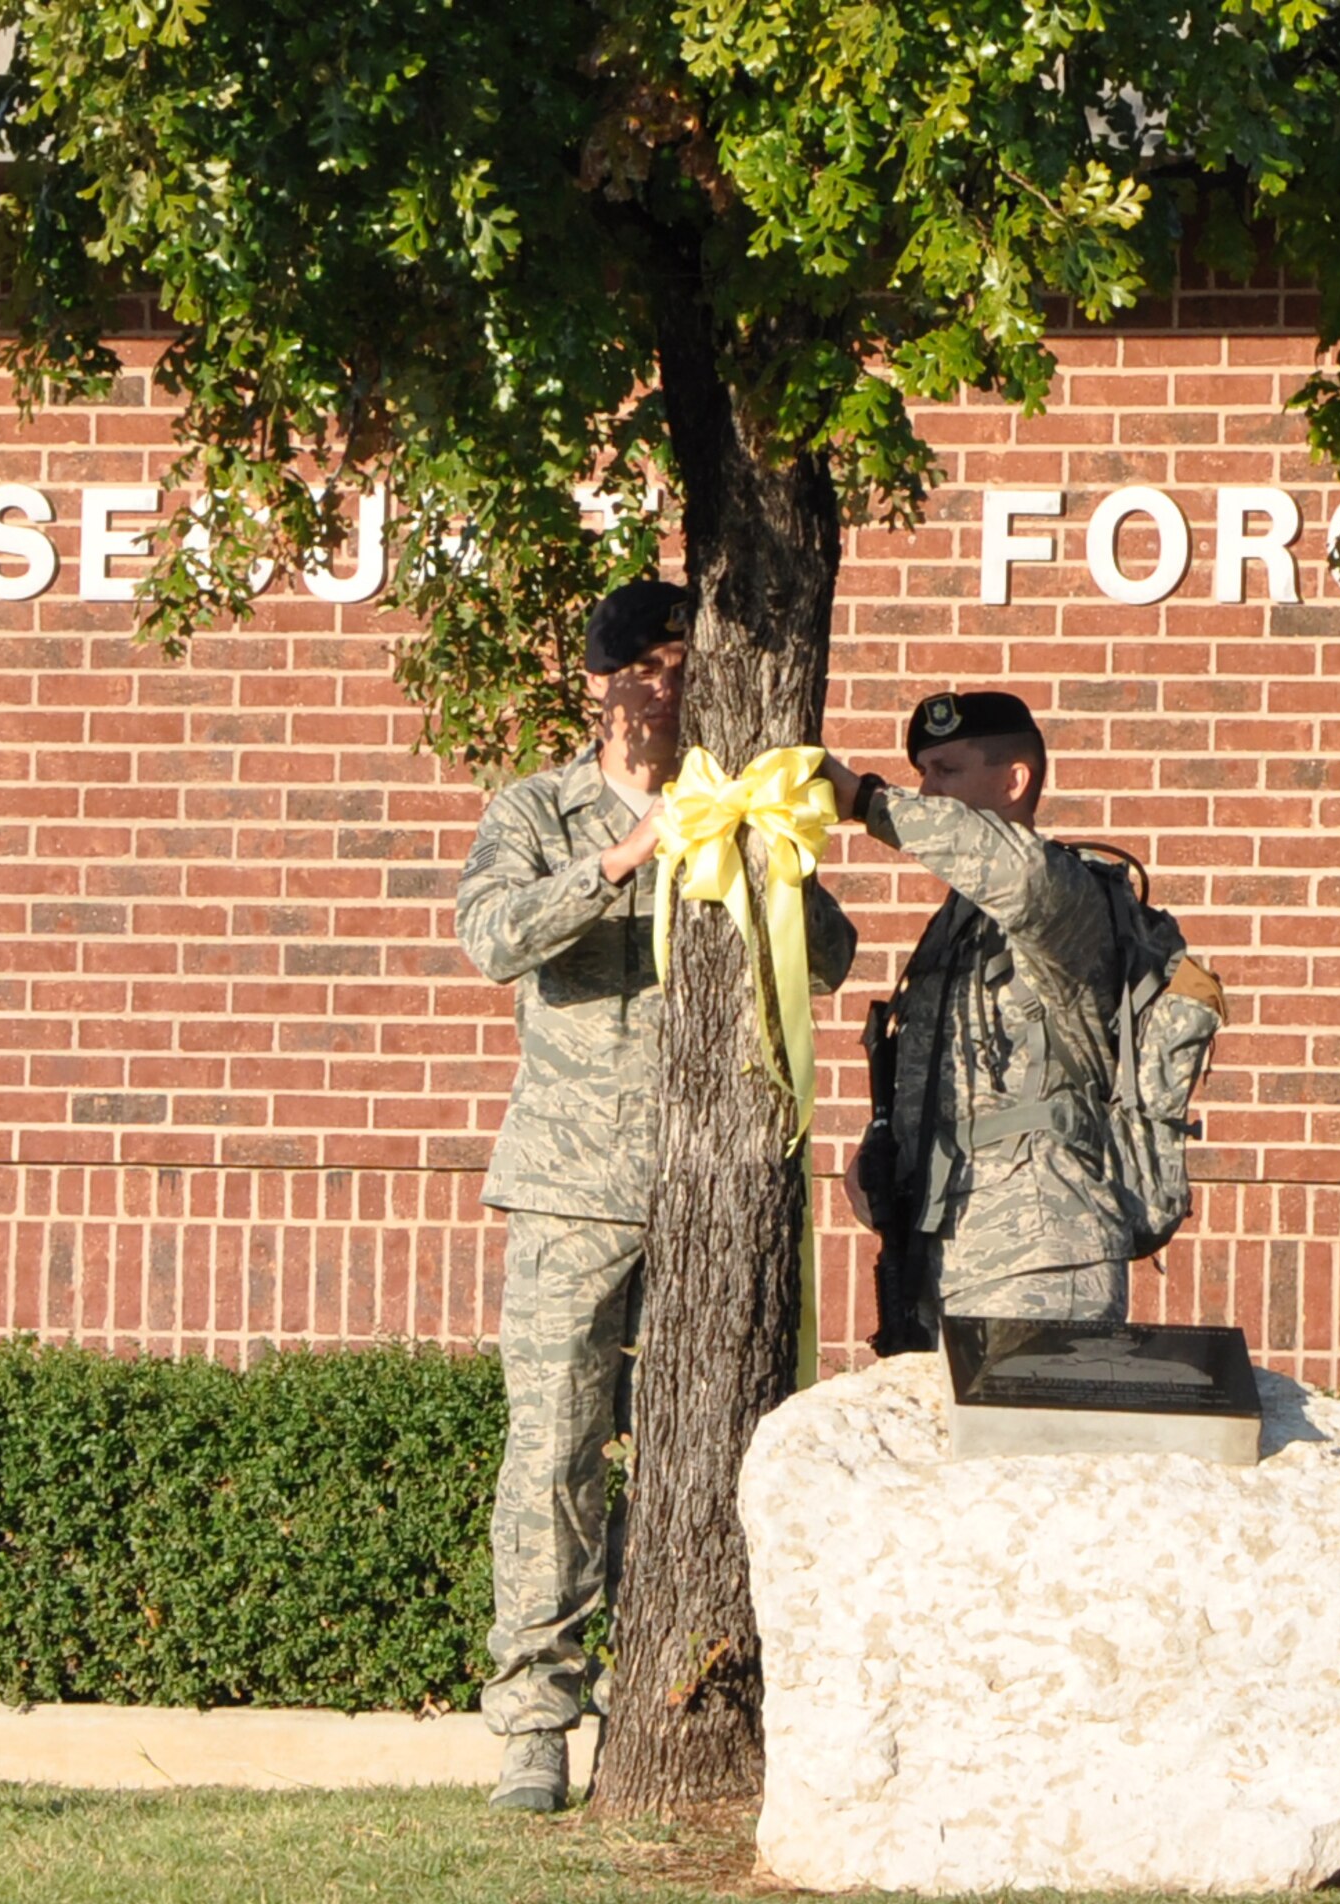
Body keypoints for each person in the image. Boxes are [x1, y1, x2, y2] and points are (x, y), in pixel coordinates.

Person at [456, 579, 857, 1812]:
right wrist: (627, 855)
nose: (665, 685)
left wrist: (750, 853)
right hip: (574, 1188)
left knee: (711, 1452)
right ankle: (534, 1716)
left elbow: (827, 956)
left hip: (710, 1185)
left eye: (685, 664)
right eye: (645, 663)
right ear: (598, 679)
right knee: (558, 1455)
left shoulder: (733, 804)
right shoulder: (535, 808)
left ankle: (696, 1694)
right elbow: (492, 936)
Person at [821, 691, 1132, 1341]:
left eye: (949, 772)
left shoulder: (1063, 892)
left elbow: (1011, 873)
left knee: (1026, 1443)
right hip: (942, 1249)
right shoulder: (957, 925)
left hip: (1040, 1258)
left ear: (1015, 779)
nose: (928, 791)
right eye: (922, 774)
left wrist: (867, 801)